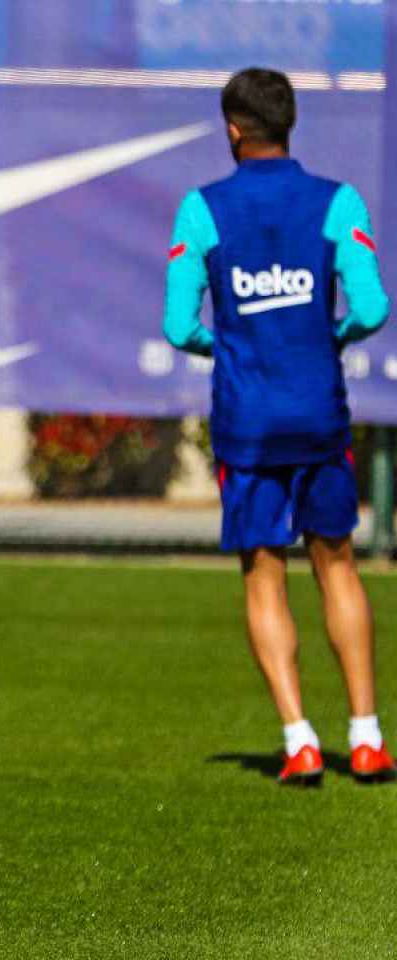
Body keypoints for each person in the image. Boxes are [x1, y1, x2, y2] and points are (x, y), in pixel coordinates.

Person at [164, 66, 394, 786]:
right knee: (338, 564)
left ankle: (298, 738)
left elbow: (178, 326)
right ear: (289, 124)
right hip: (318, 412)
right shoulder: (337, 200)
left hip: (249, 421)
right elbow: (373, 306)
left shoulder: (201, 210)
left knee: (264, 574)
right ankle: (366, 737)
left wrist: (230, 343)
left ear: (234, 127)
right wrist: (330, 336)